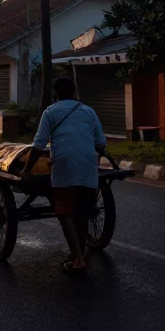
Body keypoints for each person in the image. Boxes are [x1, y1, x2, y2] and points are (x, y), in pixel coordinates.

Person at [22, 76, 107, 273]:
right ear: (75, 91)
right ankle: (80, 253)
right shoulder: (88, 111)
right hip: (88, 164)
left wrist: (27, 170)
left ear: (55, 94)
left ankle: (78, 259)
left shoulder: (50, 111)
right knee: (83, 212)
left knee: (64, 212)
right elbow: (101, 143)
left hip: (64, 165)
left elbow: (38, 145)